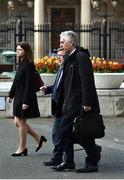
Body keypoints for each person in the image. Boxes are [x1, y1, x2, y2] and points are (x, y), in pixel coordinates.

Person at [51, 30, 102, 172]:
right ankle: (69, 161)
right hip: (68, 103)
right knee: (65, 131)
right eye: (60, 41)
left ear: (71, 42)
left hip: (79, 103)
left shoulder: (80, 57)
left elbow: (87, 82)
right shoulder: (69, 57)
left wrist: (87, 103)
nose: (60, 44)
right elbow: (66, 82)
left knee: (83, 132)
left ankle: (92, 161)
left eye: (62, 41)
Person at [7, 41, 47, 156]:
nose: (17, 51)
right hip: (19, 96)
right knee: (17, 122)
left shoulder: (29, 64)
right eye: (17, 49)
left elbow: (29, 85)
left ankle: (22, 148)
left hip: (24, 97)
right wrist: (11, 94)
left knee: (21, 122)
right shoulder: (21, 63)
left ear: (26, 51)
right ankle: (38, 138)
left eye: (20, 50)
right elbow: (16, 81)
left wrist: (26, 102)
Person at [41, 48, 67, 166]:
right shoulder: (60, 69)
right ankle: (57, 157)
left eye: (61, 56)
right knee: (57, 134)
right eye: (58, 56)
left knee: (61, 134)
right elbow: (57, 87)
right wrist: (48, 89)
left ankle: (59, 158)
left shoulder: (68, 71)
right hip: (57, 107)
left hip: (65, 107)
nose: (58, 58)